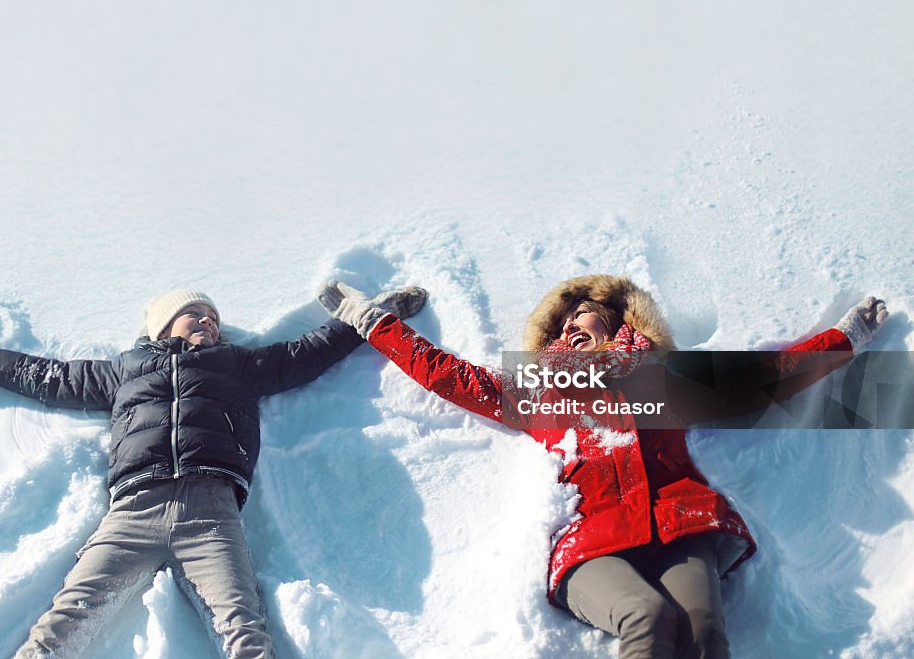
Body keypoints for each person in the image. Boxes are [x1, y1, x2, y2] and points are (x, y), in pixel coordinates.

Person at [318, 275, 888, 659]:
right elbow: (446, 374)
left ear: (617, 322)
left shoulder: (665, 383)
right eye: (561, 324)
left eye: (583, 314)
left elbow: (771, 375)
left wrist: (848, 337)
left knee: (704, 628)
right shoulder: (543, 396)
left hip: (680, 524)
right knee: (646, 616)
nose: (571, 325)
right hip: (593, 545)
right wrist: (371, 320)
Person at [0, 286, 427, 659]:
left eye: (212, 317)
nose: (208, 322)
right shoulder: (123, 370)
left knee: (244, 632)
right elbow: (48, 377)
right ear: (162, 327)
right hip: (132, 512)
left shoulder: (239, 364)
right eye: (194, 315)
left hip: (212, 515)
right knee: (65, 621)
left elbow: (309, 352)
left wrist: (373, 312)